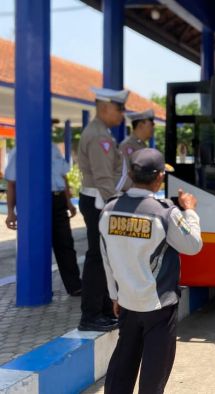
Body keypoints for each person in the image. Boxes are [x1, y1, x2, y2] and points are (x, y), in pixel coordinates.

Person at [100, 148, 202, 394]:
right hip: (159, 306)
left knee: (122, 367)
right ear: (159, 178)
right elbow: (193, 246)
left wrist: (115, 295)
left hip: (126, 303)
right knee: (154, 374)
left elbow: (106, 258)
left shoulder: (108, 210)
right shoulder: (164, 212)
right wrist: (189, 211)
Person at [77, 87, 130, 331]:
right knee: (97, 258)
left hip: (101, 202)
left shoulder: (102, 132)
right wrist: (116, 208)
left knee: (104, 257)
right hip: (101, 202)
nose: (122, 114)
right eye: (120, 109)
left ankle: (104, 310)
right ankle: (91, 315)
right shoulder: (100, 137)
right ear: (105, 107)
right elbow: (104, 179)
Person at [4, 143, 82, 296]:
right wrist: (10, 212)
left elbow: (63, 177)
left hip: (57, 200)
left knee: (65, 244)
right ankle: (38, 289)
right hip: (34, 203)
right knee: (37, 246)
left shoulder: (53, 149)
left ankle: (75, 286)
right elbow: (12, 184)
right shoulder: (19, 151)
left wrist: (68, 203)